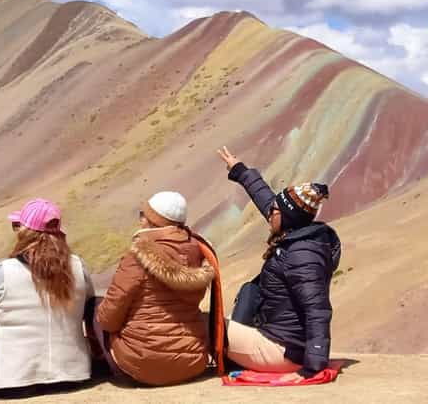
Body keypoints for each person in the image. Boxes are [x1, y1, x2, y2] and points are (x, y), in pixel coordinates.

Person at [217, 146, 341, 382]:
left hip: (281, 351)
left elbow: (318, 309)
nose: (269, 212)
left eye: (274, 210)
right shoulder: (296, 232)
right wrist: (240, 170)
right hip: (277, 338)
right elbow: (268, 200)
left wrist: (312, 367)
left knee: (204, 324)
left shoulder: (303, 254)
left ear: (286, 217)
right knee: (244, 297)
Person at [95, 191, 224, 386]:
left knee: (96, 308)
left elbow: (108, 319)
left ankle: (108, 370)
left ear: (154, 221)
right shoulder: (199, 251)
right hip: (192, 362)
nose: (140, 220)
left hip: (144, 365)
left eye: (143, 215)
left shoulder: (137, 257)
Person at [0, 198, 94, 397]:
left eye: (17, 225)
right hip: (71, 374)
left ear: (24, 231)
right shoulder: (78, 266)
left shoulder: (2, 270)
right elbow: (88, 304)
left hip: (10, 380)